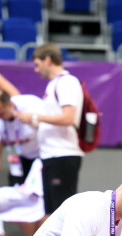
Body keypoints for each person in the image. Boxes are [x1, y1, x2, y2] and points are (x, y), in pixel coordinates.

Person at [16, 43, 84, 220]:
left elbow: (68, 117)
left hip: (62, 154)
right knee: (51, 211)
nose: (36, 70)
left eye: (38, 64)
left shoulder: (66, 82)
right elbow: (55, 120)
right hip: (51, 155)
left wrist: (35, 117)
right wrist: (33, 121)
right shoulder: (54, 84)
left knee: (59, 213)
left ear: (48, 60)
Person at [0, 88, 44, 236]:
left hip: (43, 158)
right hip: (19, 160)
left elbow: (52, 129)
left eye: (1, 112)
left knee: (42, 204)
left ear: (10, 104)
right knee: (21, 204)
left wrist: (33, 120)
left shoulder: (31, 104)